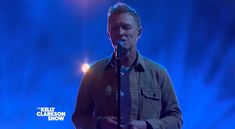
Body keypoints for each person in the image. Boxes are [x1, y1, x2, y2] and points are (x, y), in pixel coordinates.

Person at [72, 2, 183, 129]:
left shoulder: (159, 73)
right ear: (108, 34)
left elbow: (176, 119)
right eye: (114, 28)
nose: (120, 32)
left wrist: (147, 126)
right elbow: (78, 117)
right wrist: (99, 123)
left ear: (139, 32)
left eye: (126, 27)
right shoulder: (93, 73)